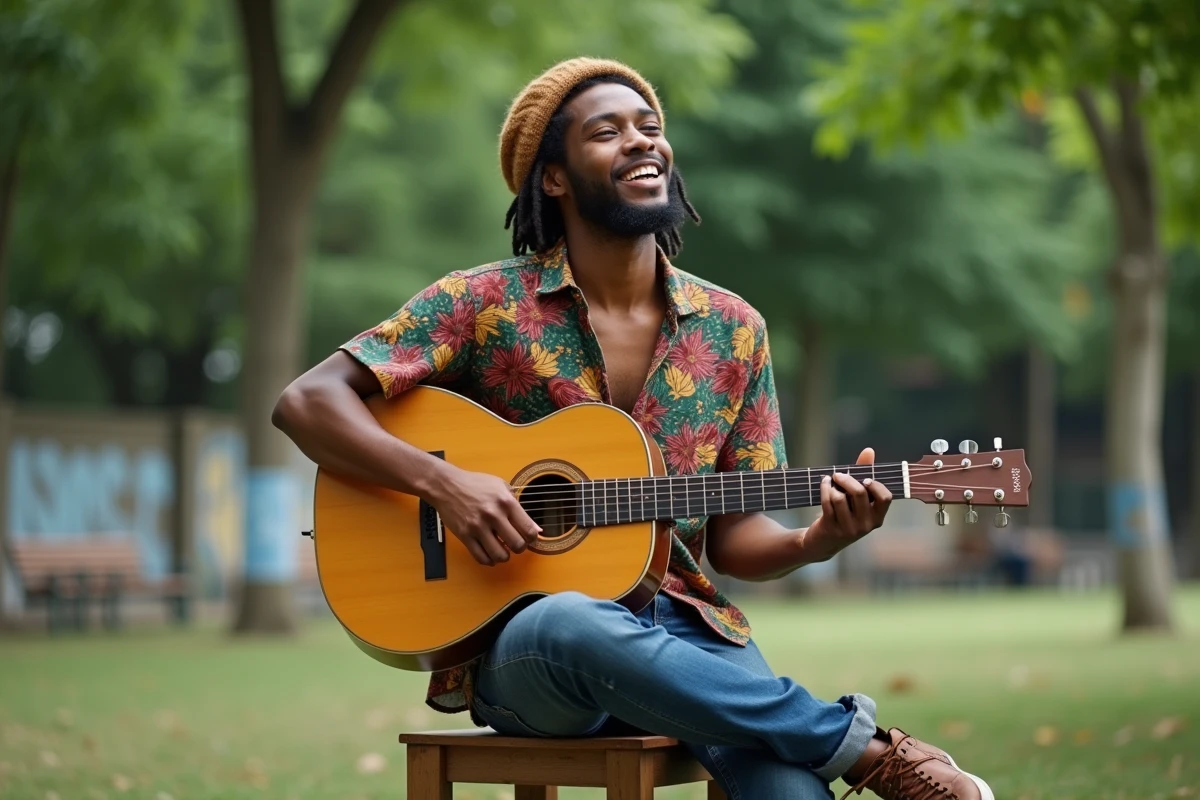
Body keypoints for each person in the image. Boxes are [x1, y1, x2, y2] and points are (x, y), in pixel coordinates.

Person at [272, 57, 993, 800]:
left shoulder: (733, 330)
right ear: (553, 177)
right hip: (524, 652)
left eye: (651, 127)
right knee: (573, 622)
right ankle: (869, 752)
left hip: (686, 630)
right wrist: (446, 484)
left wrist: (821, 539)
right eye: (607, 132)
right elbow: (306, 402)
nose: (642, 142)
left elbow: (735, 540)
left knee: (790, 793)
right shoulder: (482, 302)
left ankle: (835, 751)